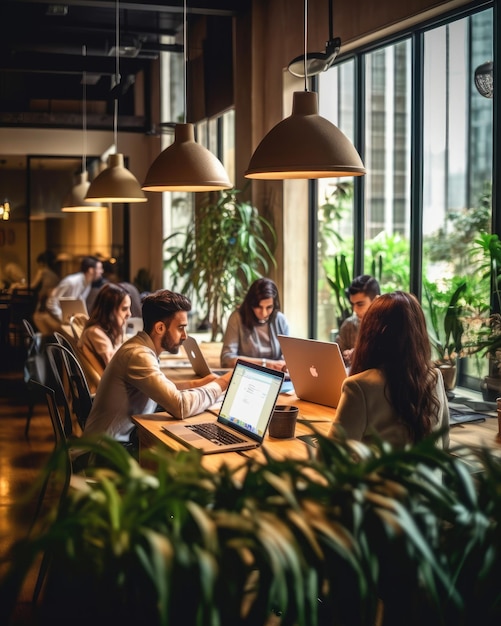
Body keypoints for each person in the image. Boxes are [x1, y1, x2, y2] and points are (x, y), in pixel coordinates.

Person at [83, 289, 233, 449]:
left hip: (120, 443)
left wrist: (198, 383)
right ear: (160, 328)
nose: (185, 336)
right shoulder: (138, 355)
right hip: (106, 454)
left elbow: (163, 388)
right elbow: (181, 406)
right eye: (181, 328)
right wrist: (224, 382)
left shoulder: (141, 347)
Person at [329, 291, 450, 449]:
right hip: (429, 474)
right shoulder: (434, 376)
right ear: (419, 332)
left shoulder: (359, 387)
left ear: (371, 332)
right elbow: (445, 443)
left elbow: (330, 460)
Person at [220, 278, 290, 371]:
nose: (264, 313)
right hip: (246, 374)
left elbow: (289, 358)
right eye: (259, 307)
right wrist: (267, 364)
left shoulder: (280, 320)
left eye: (269, 307)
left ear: (275, 305)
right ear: (251, 304)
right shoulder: (237, 318)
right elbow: (226, 359)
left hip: (276, 376)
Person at [35, 256, 103, 334]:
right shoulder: (71, 282)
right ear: (91, 270)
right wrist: (64, 319)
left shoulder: (88, 283)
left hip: (67, 321)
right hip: (48, 318)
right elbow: (50, 304)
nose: (102, 271)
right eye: (100, 268)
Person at [77, 283, 131, 380]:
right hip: (105, 391)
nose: (129, 314)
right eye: (124, 309)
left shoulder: (108, 330)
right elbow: (115, 368)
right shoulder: (94, 333)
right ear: (109, 311)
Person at [336, 275, 380, 367]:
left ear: (376, 300)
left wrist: (359, 356)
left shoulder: (387, 326)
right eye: (352, 304)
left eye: (360, 304)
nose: (355, 310)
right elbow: (337, 361)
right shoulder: (348, 326)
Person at [30, 250, 59, 314]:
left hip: (43, 300)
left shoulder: (42, 271)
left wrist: (19, 286)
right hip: (53, 301)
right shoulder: (55, 275)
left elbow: (33, 286)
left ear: (42, 263)